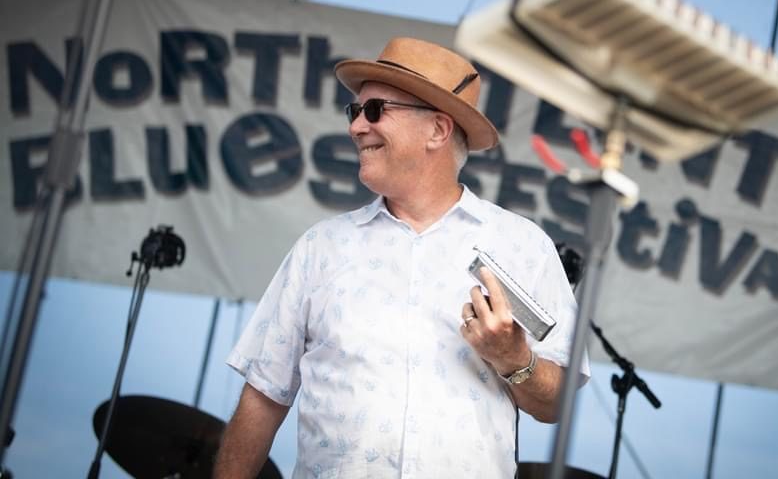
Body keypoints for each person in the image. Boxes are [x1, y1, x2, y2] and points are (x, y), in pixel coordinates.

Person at [214, 37, 590, 478]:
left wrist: (513, 358)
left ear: (437, 130)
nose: (356, 127)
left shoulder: (524, 246)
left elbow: (556, 405)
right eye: (355, 112)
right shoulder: (320, 248)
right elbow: (262, 398)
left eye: (375, 111)